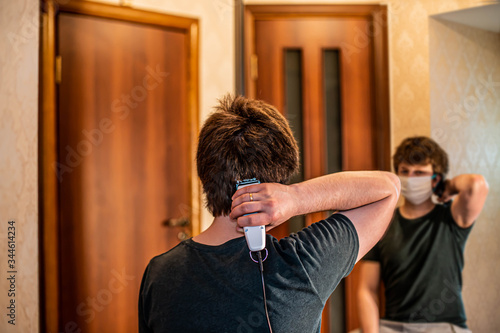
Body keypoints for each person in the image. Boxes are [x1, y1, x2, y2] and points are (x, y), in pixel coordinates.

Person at [138, 94, 400, 332]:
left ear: (204, 174)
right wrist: (296, 198)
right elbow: (388, 188)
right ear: (275, 186)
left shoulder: (158, 273)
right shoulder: (300, 264)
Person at [357, 136, 489, 333]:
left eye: (419, 173)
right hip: (393, 327)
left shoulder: (451, 218)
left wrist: (448, 187)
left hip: (446, 326)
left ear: (435, 178)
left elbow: (477, 184)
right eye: (405, 172)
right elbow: (366, 289)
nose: (411, 178)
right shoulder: (380, 224)